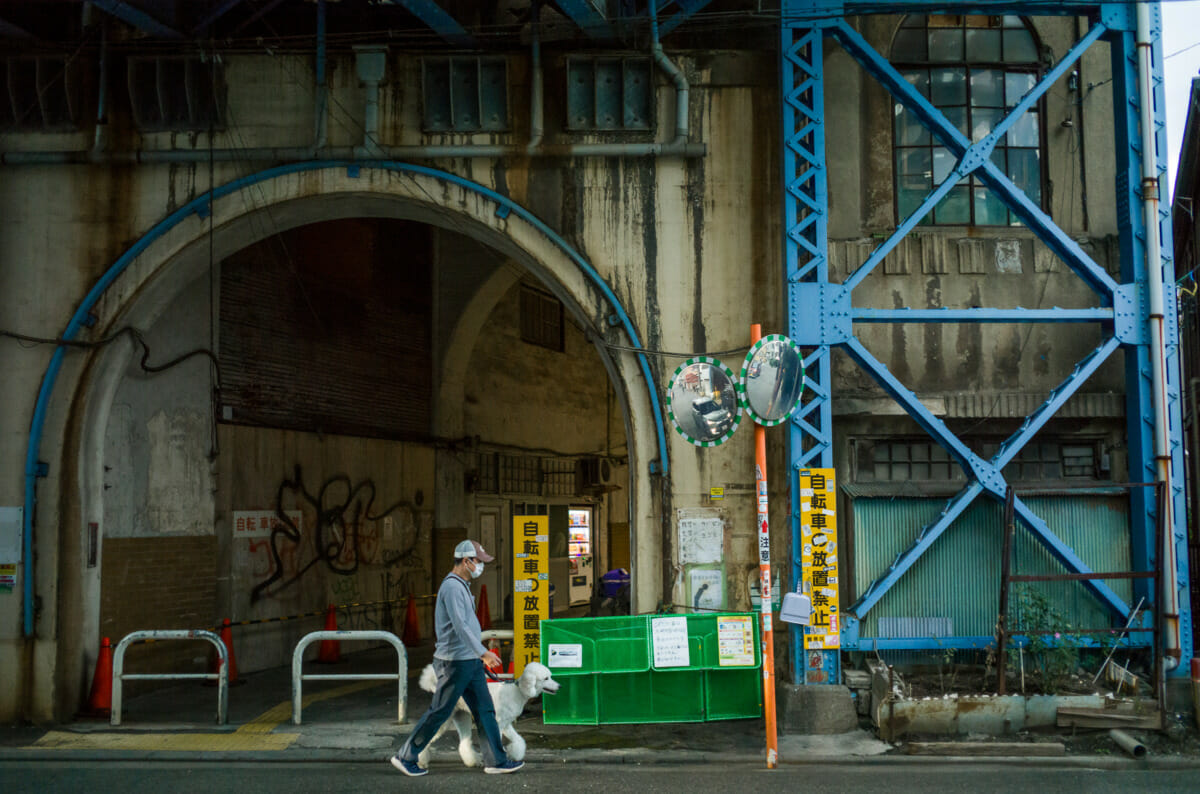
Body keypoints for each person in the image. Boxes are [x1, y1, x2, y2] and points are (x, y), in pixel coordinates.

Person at [390, 539, 523, 776]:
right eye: (478, 561)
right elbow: (460, 626)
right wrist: (483, 653)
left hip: (468, 661)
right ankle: (406, 755)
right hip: (454, 662)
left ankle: (496, 761)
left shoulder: (461, 585)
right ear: (466, 561)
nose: (481, 565)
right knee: (440, 711)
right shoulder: (451, 587)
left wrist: (477, 656)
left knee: (485, 710)